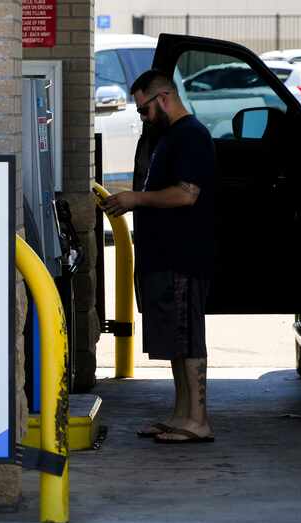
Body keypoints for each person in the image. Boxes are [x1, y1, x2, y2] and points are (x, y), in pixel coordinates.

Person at [100, 69, 217, 444]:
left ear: (163, 97)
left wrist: (136, 199)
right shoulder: (168, 137)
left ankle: (198, 420)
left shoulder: (191, 136)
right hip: (164, 257)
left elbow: (187, 194)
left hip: (183, 255)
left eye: (144, 111)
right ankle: (182, 414)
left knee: (188, 338)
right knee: (175, 341)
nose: (143, 118)